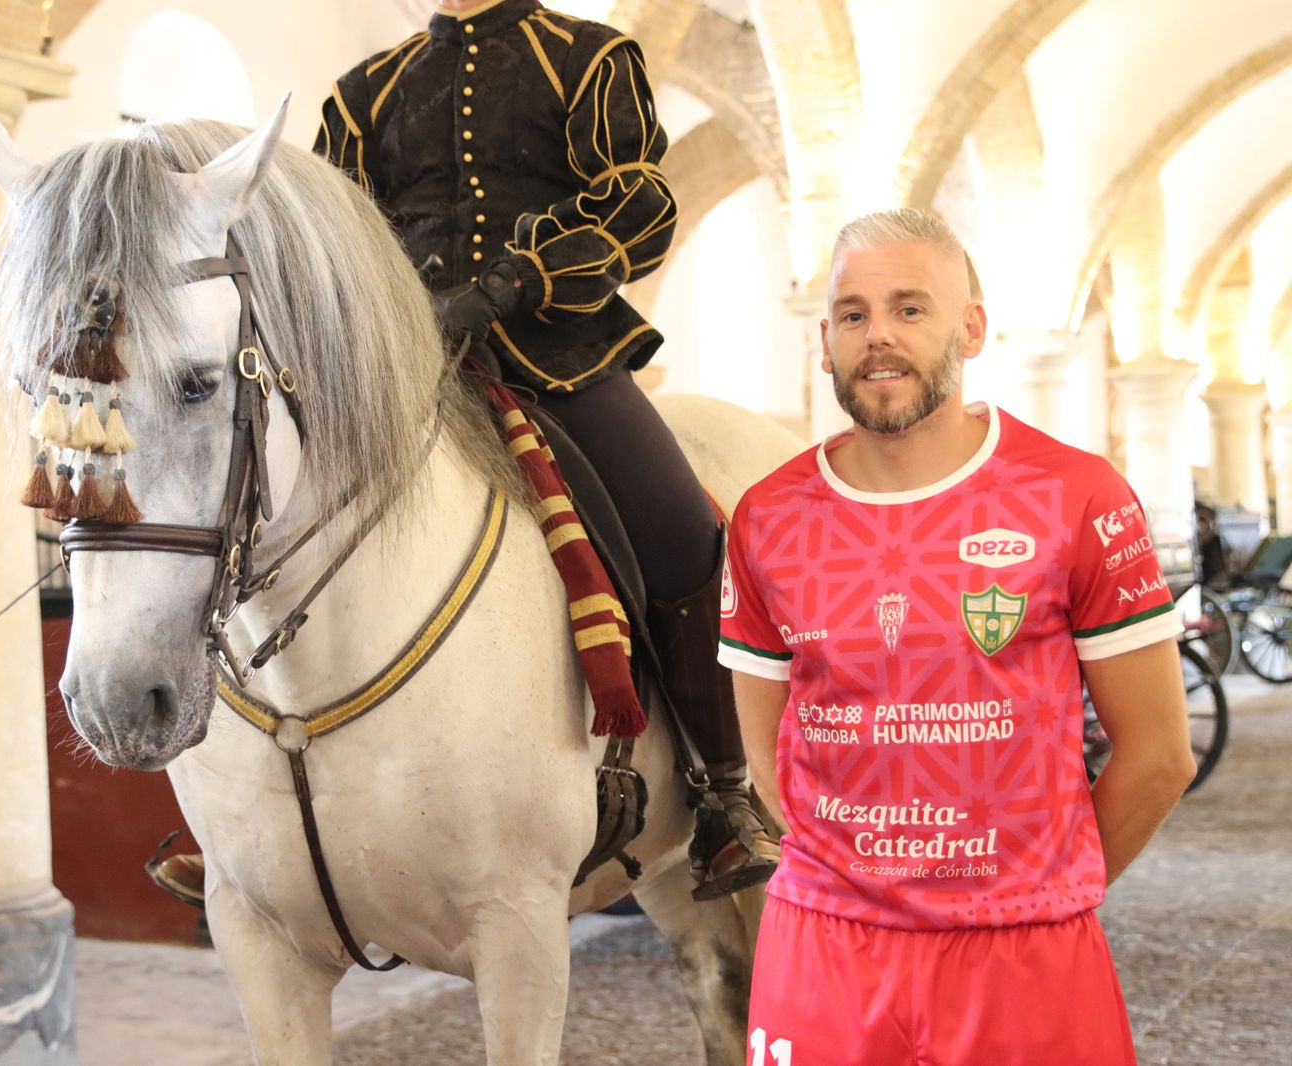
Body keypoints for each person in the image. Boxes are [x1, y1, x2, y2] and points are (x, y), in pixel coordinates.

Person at [148, 0, 778, 907]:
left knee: (684, 535)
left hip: (559, 356)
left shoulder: (590, 57)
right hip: (399, 370)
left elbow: (638, 204)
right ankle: (244, 815)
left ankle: (723, 795)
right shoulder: (365, 93)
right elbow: (333, 237)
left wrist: (515, 281)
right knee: (246, 511)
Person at [719, 208, 1196, 1065]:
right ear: (824, 338)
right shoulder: (767, 517)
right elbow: (762, 754)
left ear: (970, 327)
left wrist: (1044, 889)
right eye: (855, 316)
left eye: (910, 309)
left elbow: (1160, 754)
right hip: (825, 951)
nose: (879, 338)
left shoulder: (1077, 495)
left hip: (1024, 950)